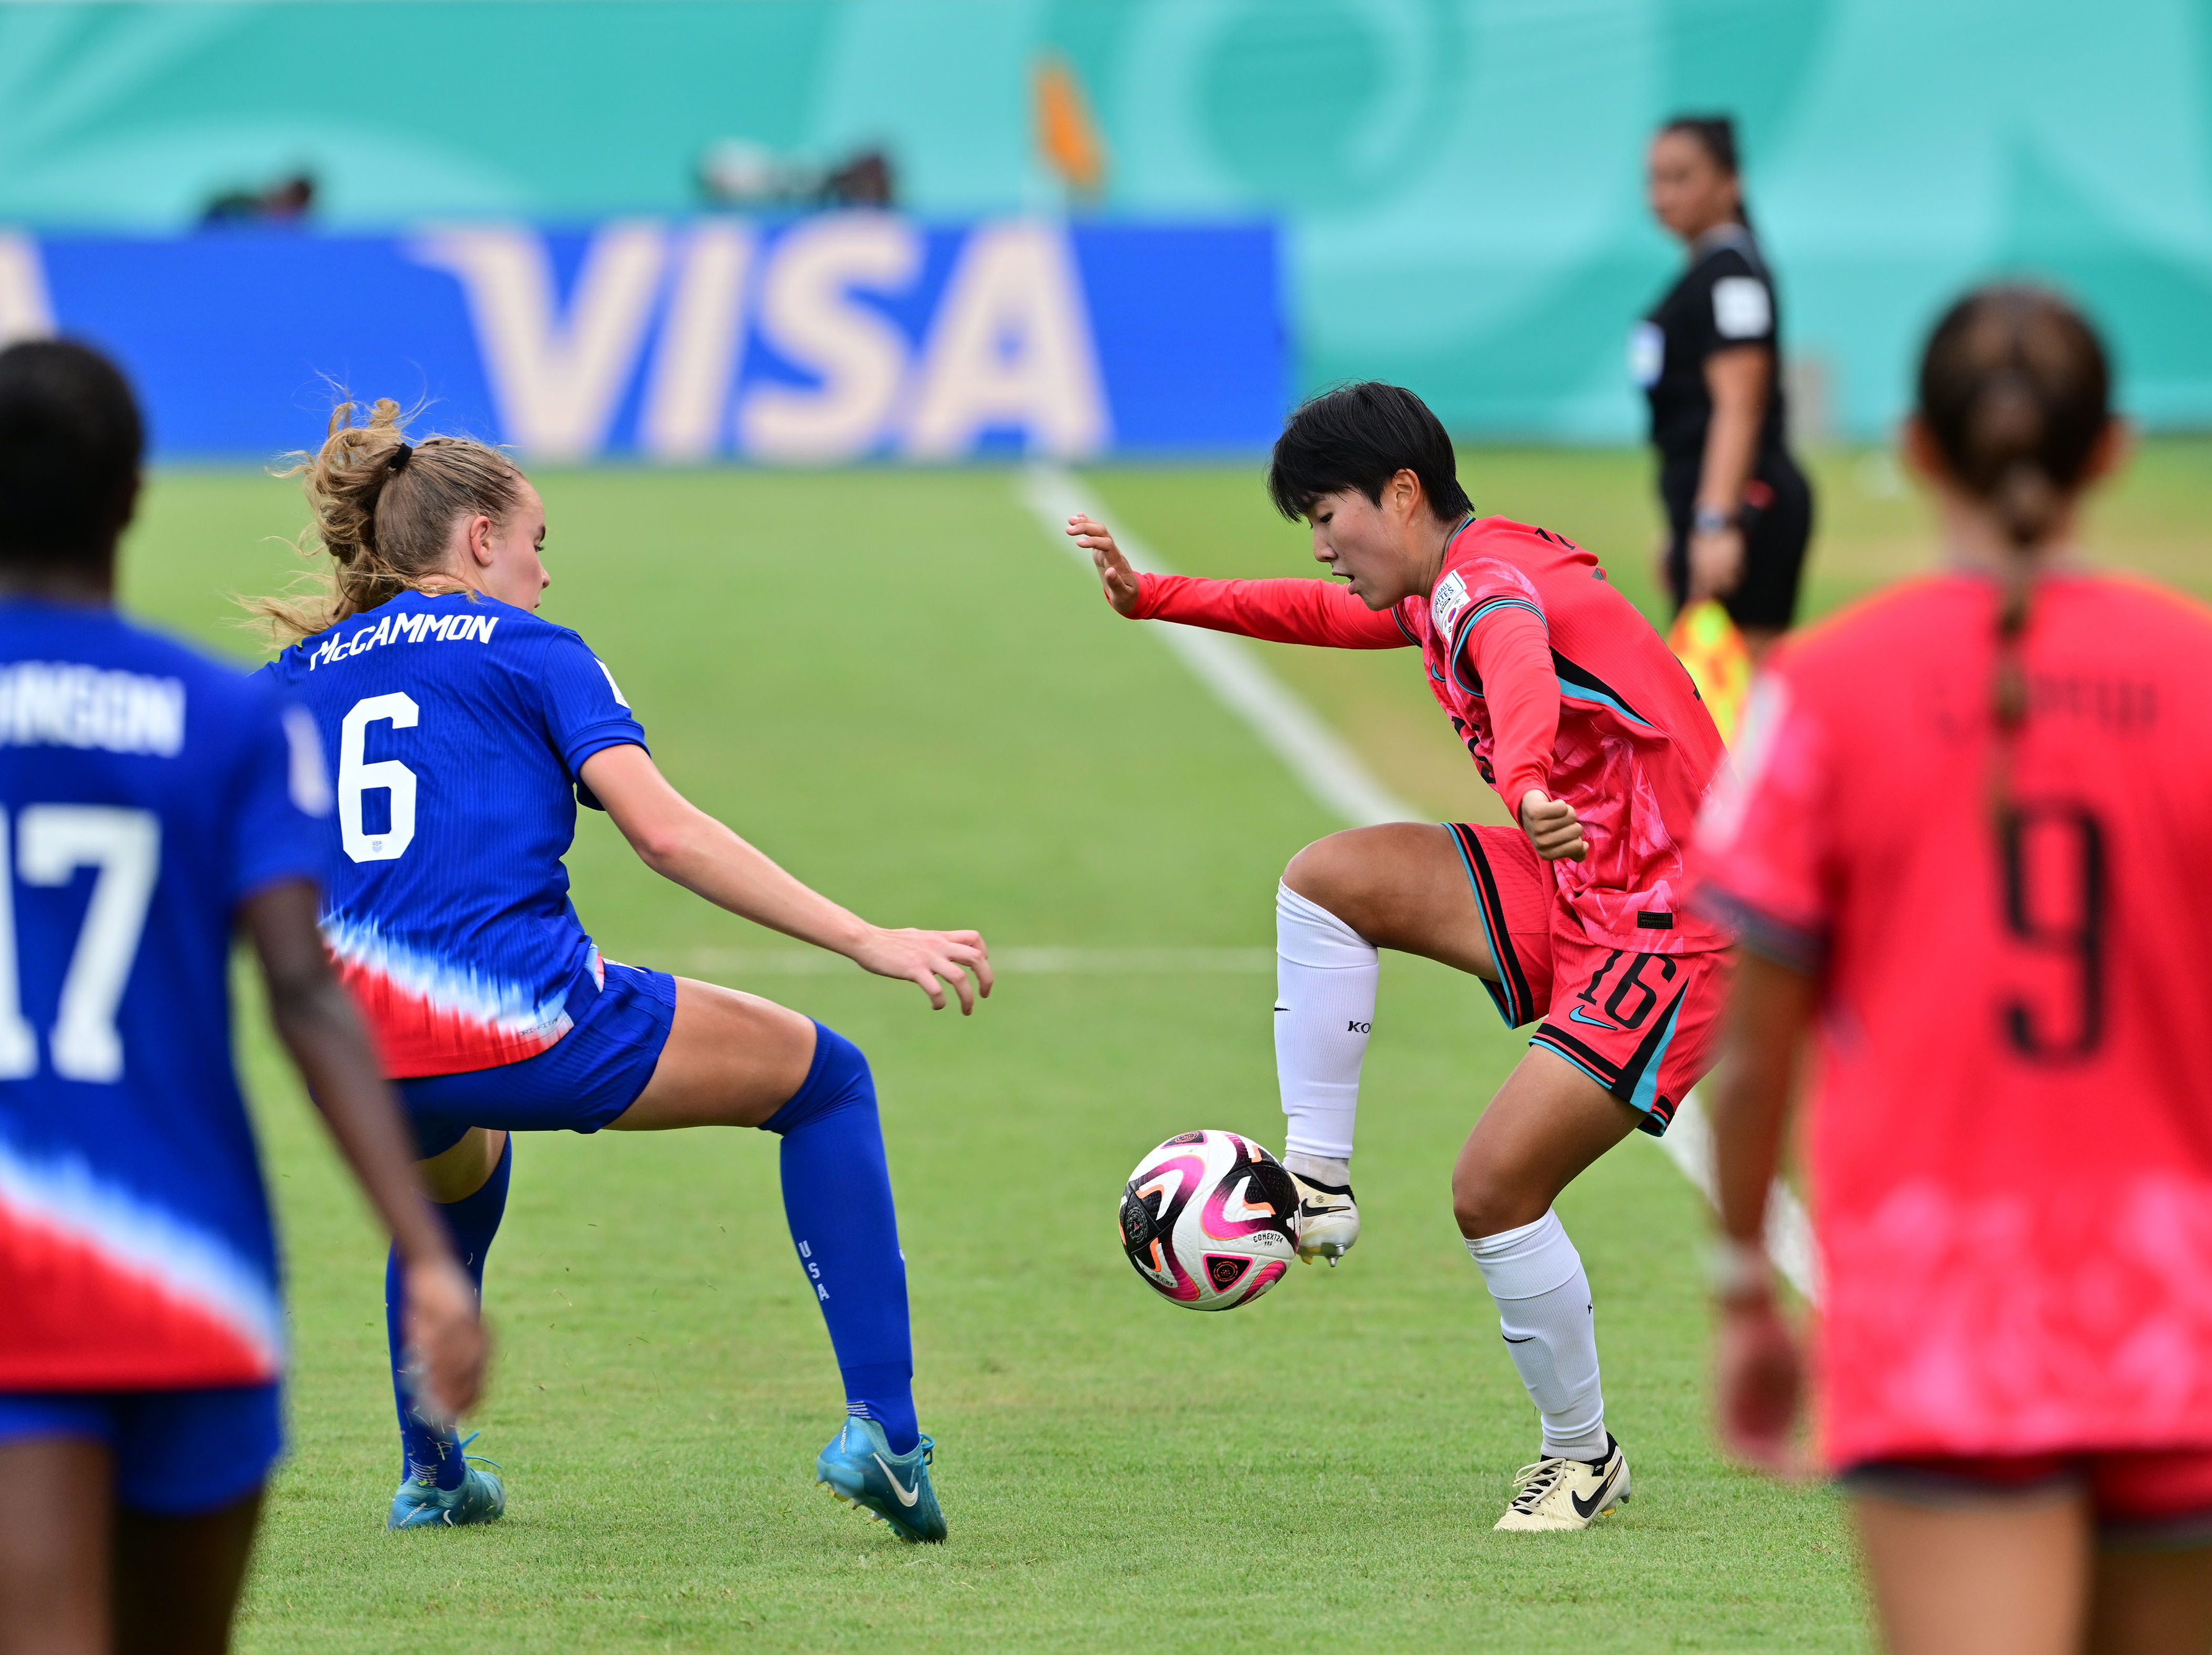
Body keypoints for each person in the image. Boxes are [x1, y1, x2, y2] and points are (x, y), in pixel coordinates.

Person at [1696, 287, 2212, 1652]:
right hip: (2184, 1320)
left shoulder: (1824, 692)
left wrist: (1743, 1281)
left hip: (1937, 1323)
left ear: (1914, 450)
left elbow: (1752, 1052)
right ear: (2110, 451)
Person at [250, 400, 990, 1543]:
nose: (544, 572)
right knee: (826, 1081)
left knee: (457, 1163)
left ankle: (434, 1470)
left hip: (361, 1055)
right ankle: (886, 1432)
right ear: (483, 538)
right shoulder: (535, 648)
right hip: (533, 1022)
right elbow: (667, 836)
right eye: (539, 543)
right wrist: (867, 937)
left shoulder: (291, 676)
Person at [1066, 382, 1729, 1532]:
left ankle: (1582, 1455)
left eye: (1329, 515)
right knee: (1330, 879)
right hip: (1579, 881)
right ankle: (1316, 1179)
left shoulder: (1484, 583)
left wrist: (1522, 778)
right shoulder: (1453, 574)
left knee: (1493, 1191)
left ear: (1404, 493)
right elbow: (1320, 617)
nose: (1322, 547)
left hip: (1674, 923)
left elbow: (1515, 655)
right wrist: (1157, 597)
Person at [0, 342, 488, 1649]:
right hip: (192, 1262)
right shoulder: (219, 719)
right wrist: (428, 1254)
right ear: (130, 500)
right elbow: (307, 995)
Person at [1635, 114, 1814, 657]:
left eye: (1682, 177)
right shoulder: (1706, 272)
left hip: (1750, 509)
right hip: (1718, 509)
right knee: (1711, 709)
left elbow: (1741, 404)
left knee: (1736, 709)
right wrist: (1685, 523)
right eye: (1655, 179)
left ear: (1731, 183)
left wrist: (1716, 521)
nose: (1661, 194)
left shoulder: (1732, 275)